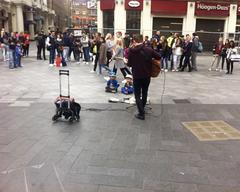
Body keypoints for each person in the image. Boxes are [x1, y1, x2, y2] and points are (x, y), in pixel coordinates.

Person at [128, 34, 161, 120]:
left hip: (136, 75)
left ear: (134, 41)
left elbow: (129, 64)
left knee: (137, 95)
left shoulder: (131, 50)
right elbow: (159, 56)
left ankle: (141, 113)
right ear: (142, 40)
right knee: (145, 92)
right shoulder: (149, 49)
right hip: (147, 75)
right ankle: (142, 109)